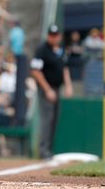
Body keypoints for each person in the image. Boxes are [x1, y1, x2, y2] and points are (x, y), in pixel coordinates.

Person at [30, 24, 73, 159]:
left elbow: (65, 68)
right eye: (51, 35)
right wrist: (47, 89)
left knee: (54, 120)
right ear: (48, 36)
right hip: (46, 89)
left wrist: (68, 85)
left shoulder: (60, 50)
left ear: (59, 36)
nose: (53, 38)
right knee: (47, 119)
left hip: (57, 88)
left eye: (55, 35)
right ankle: (43, 151)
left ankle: (49, 149)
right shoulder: (42, 49)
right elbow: (36, 71)